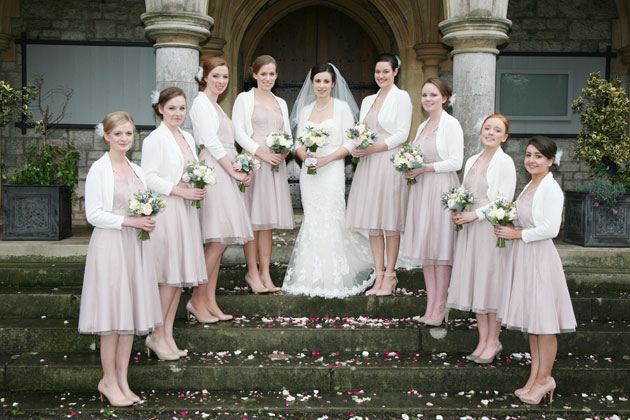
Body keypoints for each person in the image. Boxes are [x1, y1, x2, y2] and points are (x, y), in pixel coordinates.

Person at [79, 111, 162, 406]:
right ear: (106, 136)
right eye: (118, 134)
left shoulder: (136, 169)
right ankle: (108, 381)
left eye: (128, 133)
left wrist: (147, 218)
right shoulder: (100, 169)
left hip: (134, 248)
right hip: (111, 247)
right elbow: (93, 214)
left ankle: (123, 382)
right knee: (112, 318)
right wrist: (130, 222)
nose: (124, 139)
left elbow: (143, 206)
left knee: (129, 318)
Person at [495, 136, 576, 405]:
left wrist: (516, 233)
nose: (531, 160)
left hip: (540, 259)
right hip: (525, 257)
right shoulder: (531, 184)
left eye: (538, 156)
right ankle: (534, 377)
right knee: (534, 324)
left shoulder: (551, 189)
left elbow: (551, 229)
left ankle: (545, 380)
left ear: (551, 161)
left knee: (545, 324)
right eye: (529, 155)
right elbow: (526, 214)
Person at [282, 63, 373, 298]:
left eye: (326, 81)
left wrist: (327, 159)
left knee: (332, 216)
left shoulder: (342, 109)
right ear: (311, 83)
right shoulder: (304, 110)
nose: (321, 85)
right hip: (310, 173)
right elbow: (298, 143)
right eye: (317, 81)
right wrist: (306, 157)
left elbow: (350, 143)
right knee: (313, 217)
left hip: (331, 169)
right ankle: (310, 274)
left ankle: (335, 274)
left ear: (333, 83)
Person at [141, 87, 208, 359]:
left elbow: (188, 170)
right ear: (160, 109)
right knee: (168, 278)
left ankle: (167, 334)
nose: (177, 113)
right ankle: (155, 335)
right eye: (172, 109)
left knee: (178, 279)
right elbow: (149, 177)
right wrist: (181, 191)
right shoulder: (154, 139)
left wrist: (197, 181)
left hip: (187, 211)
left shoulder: (188, 137)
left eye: (181, 108)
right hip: (168, 211)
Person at [446, 113, 516, 363]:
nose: (491, 133)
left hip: (489, 229)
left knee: (490, 284)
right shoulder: (472, 159)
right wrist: (458, 208)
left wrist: (474, 214)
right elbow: (465, 192)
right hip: (471, 230)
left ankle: (494, 340)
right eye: (487, 128)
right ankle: (482, 340)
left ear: (504, 137)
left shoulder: (505, 162)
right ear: (481, 132)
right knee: (477, 284)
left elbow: (503, 200)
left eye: (497, 130)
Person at [190, 57, 256, 318]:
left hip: (226, 168)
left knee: (222, 238)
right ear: (204, 77)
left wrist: (242, 167)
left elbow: (229, 143)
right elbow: (212, 143)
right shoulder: (200, 103)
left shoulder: (217, 107)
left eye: (225, 77)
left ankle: (209, 300)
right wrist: (233, 171)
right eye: (216, 76)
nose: (221, 81)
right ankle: (196, 299)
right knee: (217, 240)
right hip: (215, 169)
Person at [345, 53, 412, 296]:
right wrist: (358, 145)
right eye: (377, 72)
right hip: (368, 163)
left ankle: (391, 274)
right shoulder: (367, 100)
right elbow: (362, 130)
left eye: (385, 71)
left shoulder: (402, 97)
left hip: (388, 162)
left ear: (395, 72)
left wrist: (375, 148)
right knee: (374, 222)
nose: (381, 75)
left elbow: (402, 134)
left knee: (389, 221)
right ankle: (379, 274)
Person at [401, 77, 463, 326]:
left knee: (441, 250)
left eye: (433, 95)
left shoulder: (451, 125)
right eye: (425, 95)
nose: (428, 99)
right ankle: (430, 306)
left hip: (441, 188)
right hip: (422, 190)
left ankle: (441, 307)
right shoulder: (423, 125)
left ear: (445, 98)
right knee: (428, 251)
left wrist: (425, 168)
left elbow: (456, 161)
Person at [232, 55, 294, 293]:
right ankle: (252, 273)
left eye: (272, 74)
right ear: (254, 74)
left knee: (266, 222)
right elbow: (239, 132)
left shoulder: (281, 102)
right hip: (255, 163)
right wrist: (261, 154)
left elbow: (287, 133)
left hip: (274, 165)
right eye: (263, 74)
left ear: (276, 76)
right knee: (253, 220)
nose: (268, 78)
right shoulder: (244, 99)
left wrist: (284, 152)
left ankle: (266, 273)